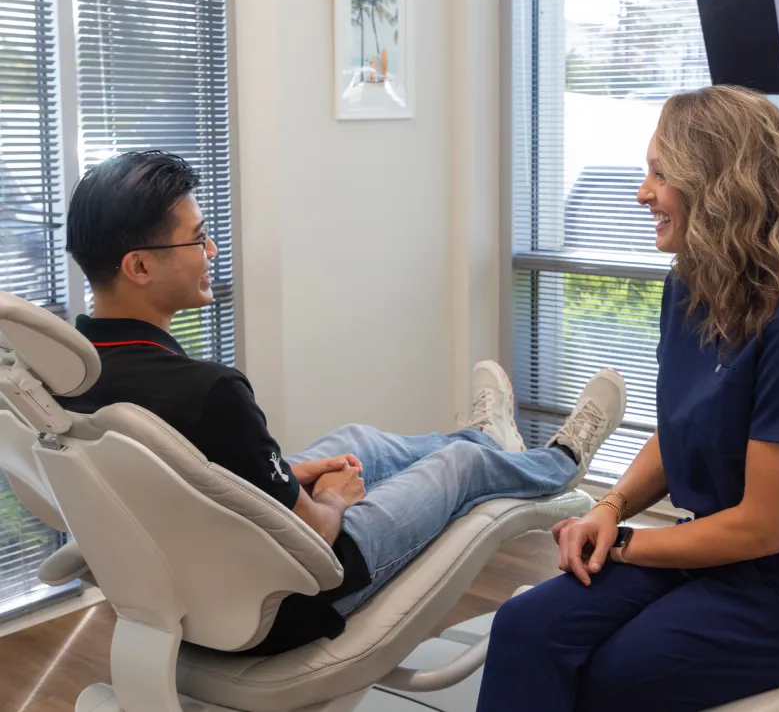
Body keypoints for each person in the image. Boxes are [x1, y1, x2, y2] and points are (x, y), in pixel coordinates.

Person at [59, 150, 626, 656]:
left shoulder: (70, 375)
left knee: (358, 441)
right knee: (461, 466)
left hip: (205, 573)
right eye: (197, 238)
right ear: (138, 266)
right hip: (293, 593)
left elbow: (190, 477)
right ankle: (561, 461)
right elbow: (316, 532)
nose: (210, 249)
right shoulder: (209, 392)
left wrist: (289, 477)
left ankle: (490, 439)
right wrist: (329, 500)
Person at [477, 85, 779, 712]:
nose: (642, 192)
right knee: (525, 628)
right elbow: (683, 431)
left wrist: (626, 543)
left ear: (719, 186)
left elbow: (762, 529)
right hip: (701, 555)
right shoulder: (690, 287)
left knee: (613, 676)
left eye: (660, 173)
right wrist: (611, 507)